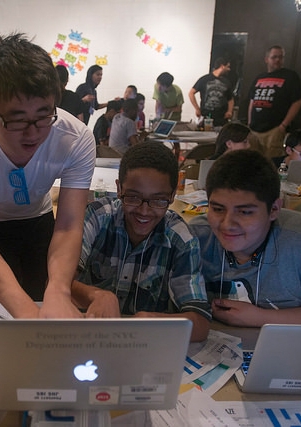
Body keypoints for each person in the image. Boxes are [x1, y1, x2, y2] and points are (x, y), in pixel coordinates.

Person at [0, 32, 96, 319]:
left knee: (48, 298)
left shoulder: (75, 139)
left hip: (38, 221)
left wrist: (59, 291)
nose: (33, 131)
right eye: (17, 119)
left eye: (44, 115)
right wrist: (29, 316)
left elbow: (67, 226)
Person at [71, 142, 211, 342]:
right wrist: (95, 295)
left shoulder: (181, 240)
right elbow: (57, 283)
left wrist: (156, 320)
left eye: (158, 200)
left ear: (172, 196)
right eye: (133, 197)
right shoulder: (96, 217)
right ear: (119, 189)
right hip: (88, 335)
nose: (144, 211)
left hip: (146, 342)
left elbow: (201, 323)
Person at [189, 149, 301, 327]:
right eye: (218, 209)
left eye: (245, 212)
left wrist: (261, 318)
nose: (227, 224)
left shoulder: (295, 241)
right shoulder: (194, 239)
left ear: (274, 209)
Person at [248, 45, 301, 159]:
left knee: (271, 163)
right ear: (267, 59)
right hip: (254, 129)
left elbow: (297, 101)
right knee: (253, 161)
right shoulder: (259, 77)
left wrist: (283, 126)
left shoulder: (290, 76)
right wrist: (249, 122)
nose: (278, 60)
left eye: (281, 57)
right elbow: (252, 101)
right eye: (274, 57)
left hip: (274, 129)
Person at [188, 58, 234, 127]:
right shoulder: (204, 79)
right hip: (206, 116)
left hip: (221, 118)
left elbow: (230, 99)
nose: (229, 69)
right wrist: (197, 109)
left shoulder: (227, 82)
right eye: (228, 66)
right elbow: (191, 93)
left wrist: (229, 111)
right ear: (222, 66)